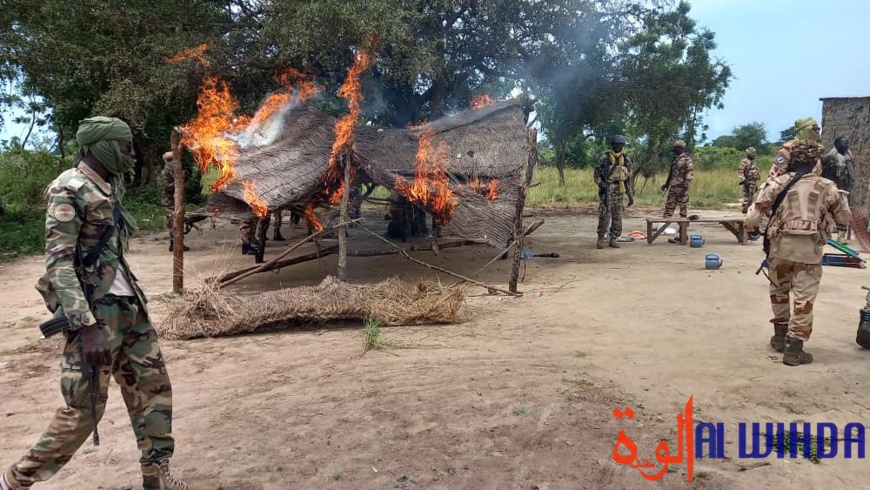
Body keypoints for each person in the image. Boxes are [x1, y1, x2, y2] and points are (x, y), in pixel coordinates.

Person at [0, 117, 196, 489]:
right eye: (125, 147)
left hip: (129, 307)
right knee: (83, 410)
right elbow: (59, 262)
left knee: (153, 392)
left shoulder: (109, 185)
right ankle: (14, 480)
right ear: (101, 146)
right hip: (93, 316)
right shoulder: (68, 187)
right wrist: (86, 326)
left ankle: (157, 475)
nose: (132, 154)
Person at [745, 140, 851, 366]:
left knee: (779, 291)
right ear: (816, 162)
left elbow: (751, 219)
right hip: (810, 251)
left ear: (792, 160)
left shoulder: (776, 183)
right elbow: (844, 219)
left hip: (780, 248)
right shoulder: (828, 186)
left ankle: (780, 337)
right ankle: (795, 349)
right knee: (804, 299)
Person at [594, 135, 634, 249]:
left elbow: (628, 179)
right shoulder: (604, 158)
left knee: (617, 216)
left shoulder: (626, 160)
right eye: (616, 144)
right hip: (607, 190)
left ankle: (613, 238)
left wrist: (630, 195)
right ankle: (601, 238)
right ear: (612, 145)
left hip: (620, 190)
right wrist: (602, 184)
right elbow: (596, 175)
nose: (618, 146)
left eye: (620, 145)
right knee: (604, 215)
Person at [821, 136, 856, 242]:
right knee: (827, 213)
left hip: (843, 189)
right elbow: (827, 174)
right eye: (844, 143)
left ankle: (841, 236)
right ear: (837, 145)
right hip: (832, 189)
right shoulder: (831, 157)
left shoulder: (847, 156)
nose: (847, 145)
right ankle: (826, 234)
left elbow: (850, 173)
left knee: (844, 213)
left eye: (847, 143)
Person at [767, 118, 822, 182]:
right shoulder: (788, 148)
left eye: (818, 129)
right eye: (815, 129)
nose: (817, 132)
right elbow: (774, 174)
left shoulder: (818, 148)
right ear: (805, 131)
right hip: (792, 186)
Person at [661, 140, 694, 241]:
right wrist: (666, 184)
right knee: (668, 210)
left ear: (680, 148)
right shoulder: (675, 159)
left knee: (683, 212)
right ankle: (660, 230)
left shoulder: (687, 159)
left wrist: (686, 185)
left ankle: (683, 235)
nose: (674, 149)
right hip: (673, 187)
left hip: (682, 189)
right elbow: (671, 173)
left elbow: (690, 173)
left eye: (675, 147)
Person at [161, 151, 189, 253]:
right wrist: (179, 181)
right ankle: (174, 244)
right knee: (173, 222)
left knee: (179, 221)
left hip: (177, 200)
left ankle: (178, 243)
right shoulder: (166, 171)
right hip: (170, 201)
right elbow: (167, 187)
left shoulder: (174, 170)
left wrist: (184, 178)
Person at [737, 147, 761, 214]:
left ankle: (748, 209)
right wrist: (744, 180)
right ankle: (745, 210)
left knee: (751, 197)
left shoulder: (753, 162)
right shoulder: (744, 161)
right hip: (747, 181)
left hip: (753, 182)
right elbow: (740, 172)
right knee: (746, 197)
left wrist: (755, 184)